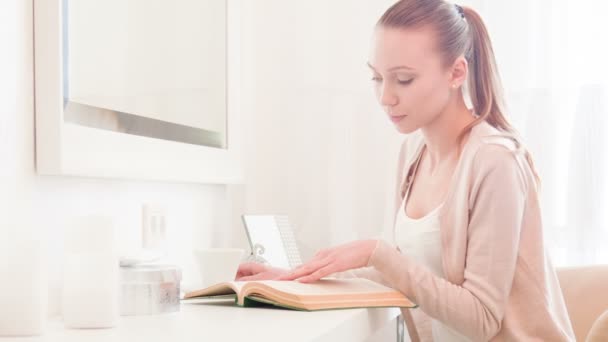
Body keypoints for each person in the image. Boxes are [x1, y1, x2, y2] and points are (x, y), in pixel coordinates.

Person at [236, 1, 575, 340]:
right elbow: (406, 277)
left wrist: (378, 253)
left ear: (457, 73)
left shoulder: (495, 161)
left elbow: (481, 318)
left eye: (403, 79)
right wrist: (294, 279)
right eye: (377, 77)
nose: (385, 96)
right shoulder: (413, 154)